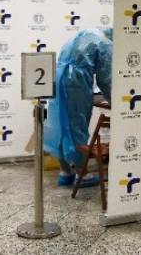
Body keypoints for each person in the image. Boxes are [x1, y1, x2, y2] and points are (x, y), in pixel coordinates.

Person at [43, 28, 112, 187]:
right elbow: (106, 79)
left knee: (59, 126)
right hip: (75, 82)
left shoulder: (83, 34)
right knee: (77, 127)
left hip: (58, 77)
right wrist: (115, 100)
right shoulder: (106, 44)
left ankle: (65, 172)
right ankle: (83, 174)